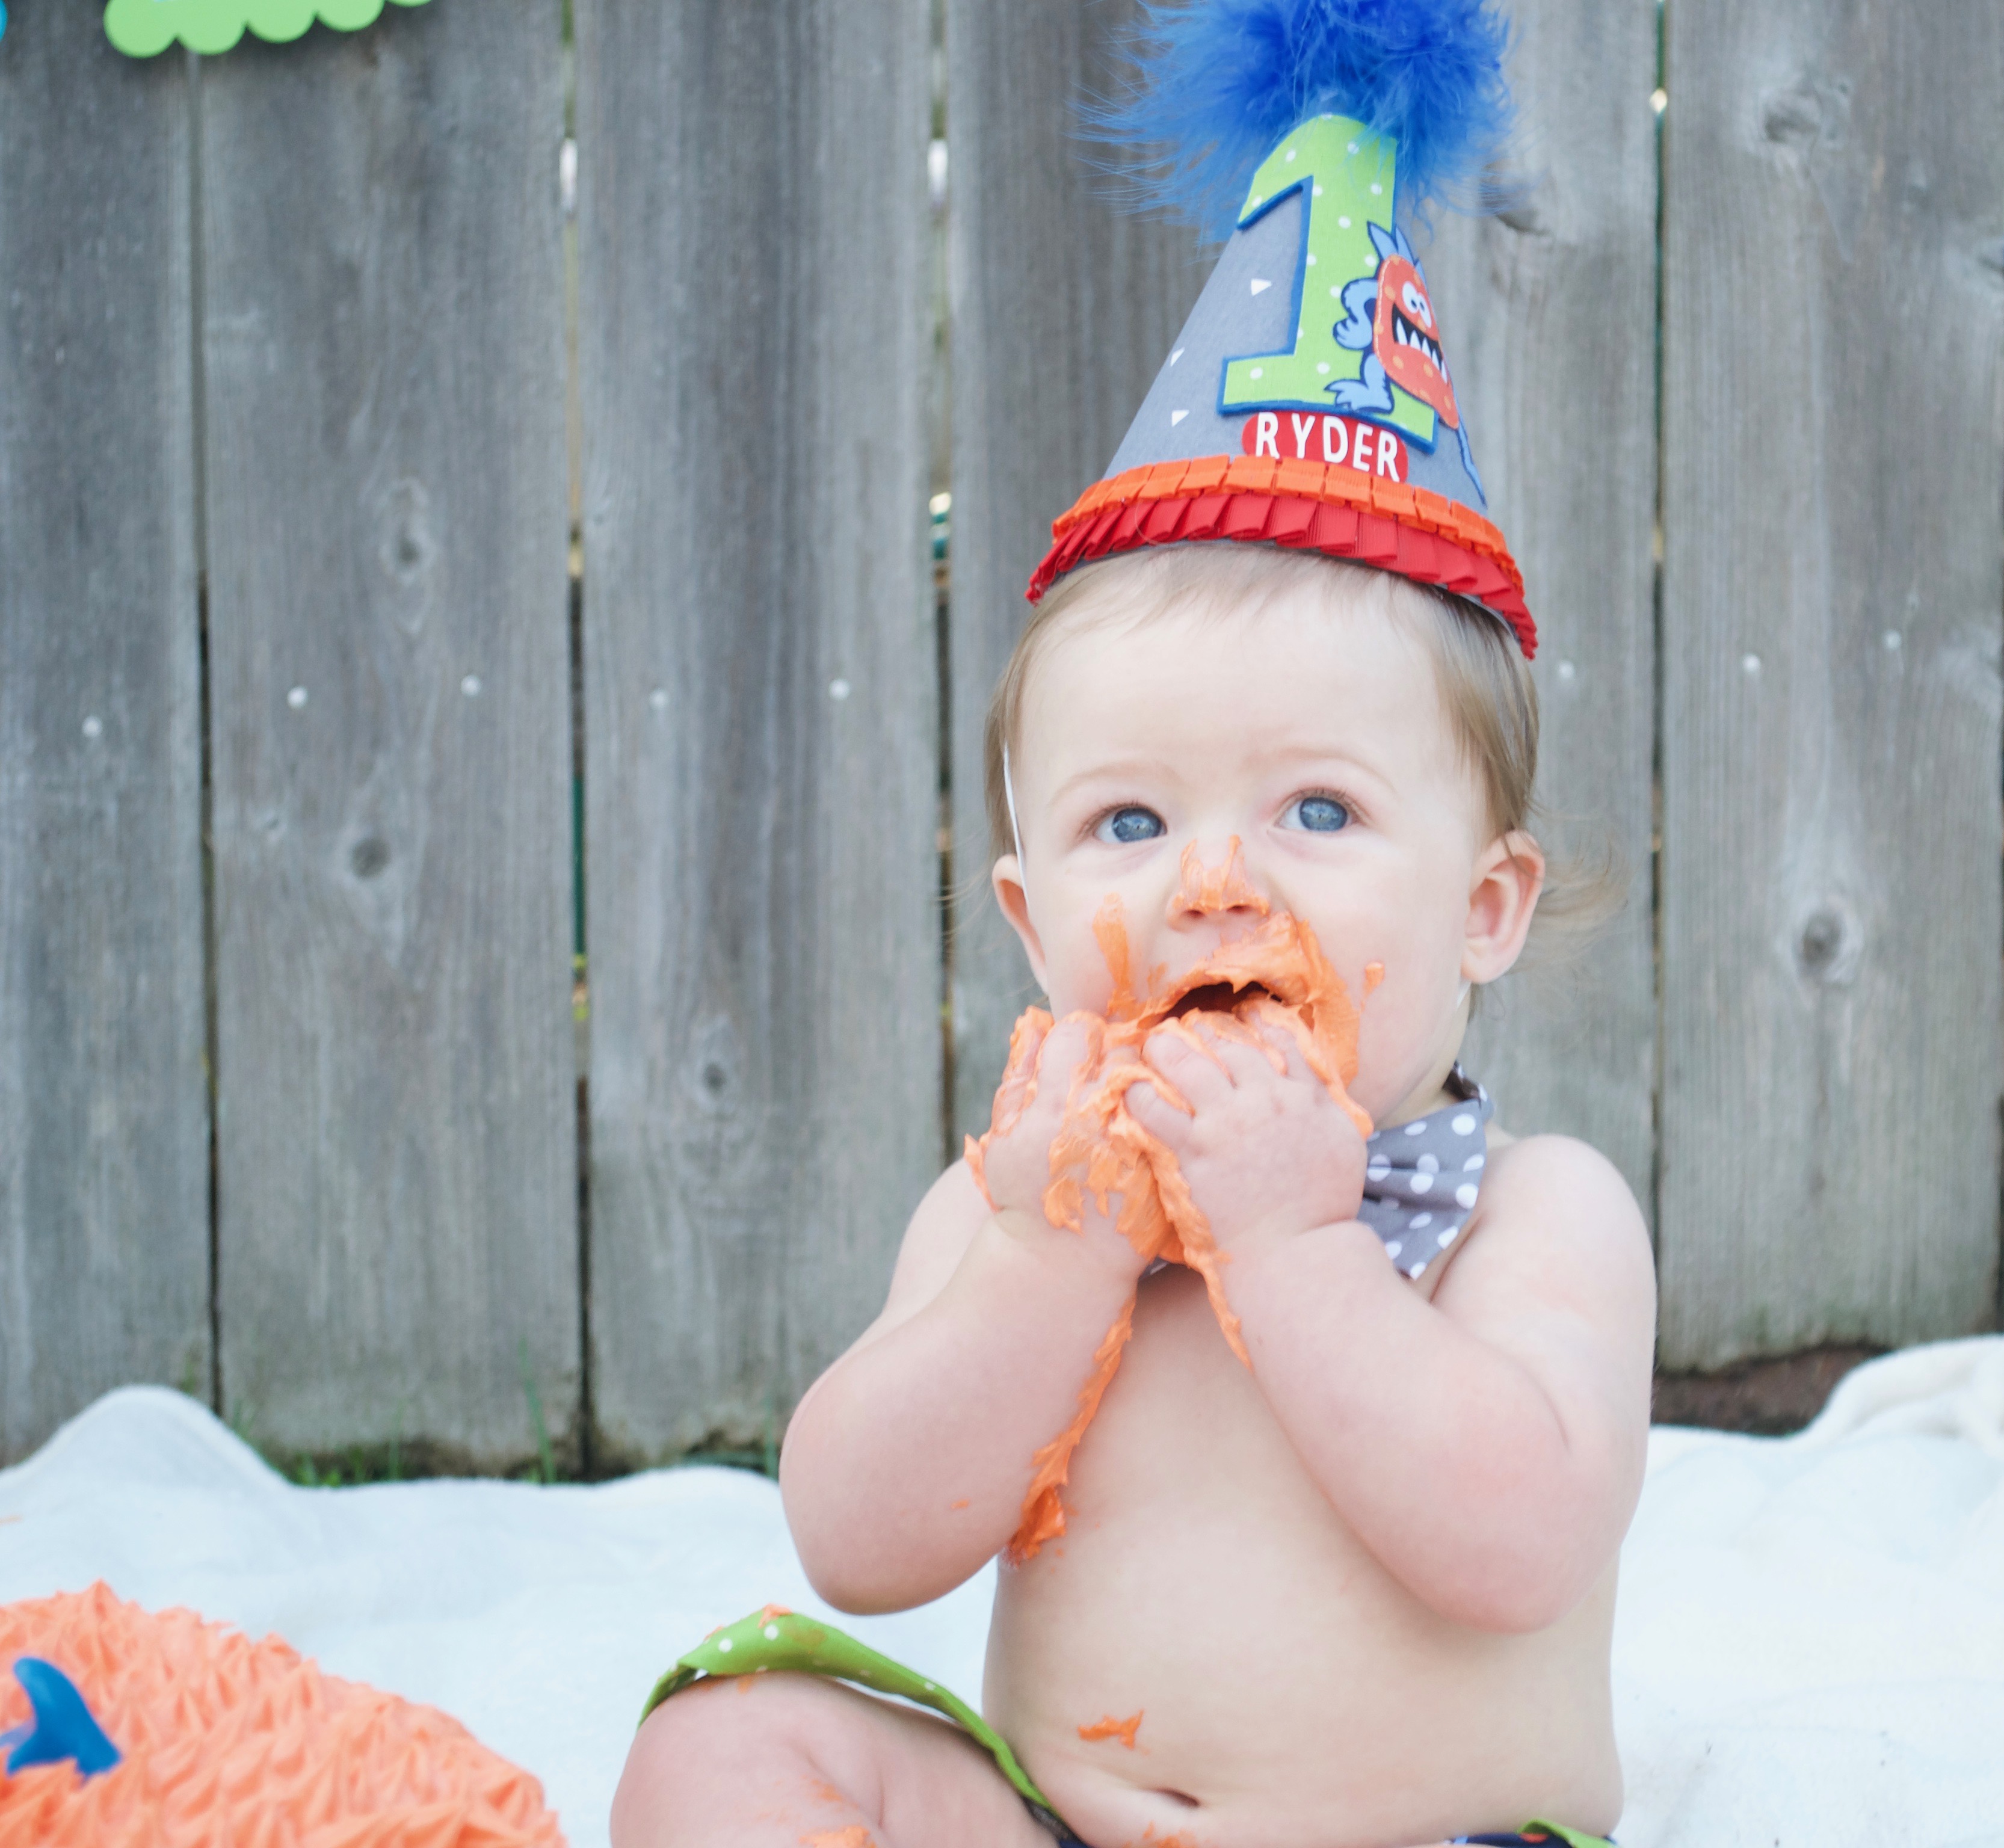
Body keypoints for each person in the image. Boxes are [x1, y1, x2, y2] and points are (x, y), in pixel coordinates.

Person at [612, 7, 1649, 1843]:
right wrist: (1045, 1266)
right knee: (730, 1741)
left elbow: (1519, 1549)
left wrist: (1299, 1250)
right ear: (1031, 918)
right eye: (1129, 821)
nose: (1212, 883)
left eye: (1318, 811)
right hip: (1061, 1817)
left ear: (1487, 908)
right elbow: (857, 1544)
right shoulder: (1014, 1206)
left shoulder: (1532, 1219)